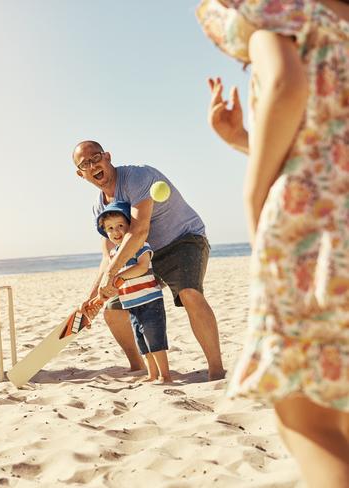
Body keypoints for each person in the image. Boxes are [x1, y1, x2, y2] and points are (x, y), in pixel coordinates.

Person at [196, 0, 349, 484]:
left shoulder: (285, 17)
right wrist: (245, 138)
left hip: (318, 234)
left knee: (310, 422)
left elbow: (285, 83)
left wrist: (254, 192)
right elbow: (328, 141)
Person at [73, 140, 225, 381]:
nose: (93, 165)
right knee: (112, 312)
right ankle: (138, 366)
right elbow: (108, 255)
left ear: (108, 157)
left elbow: (139, 230)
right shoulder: (99, 208)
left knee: (189, 293)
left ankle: (216, 370)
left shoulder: (138, 177)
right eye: (85, 164)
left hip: (183, 240)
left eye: (96, 158)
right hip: (141, 255)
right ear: (80, 174)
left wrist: (113, 275)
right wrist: (92, 298)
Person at [94, 201, 171, 383]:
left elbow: (142, 267)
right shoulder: (114, 256)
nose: (116, 231)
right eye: (110, 228)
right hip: (132, 304)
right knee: (142, 341)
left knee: (155, 339)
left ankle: (165, 375)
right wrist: (101, 295)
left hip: (150, 301)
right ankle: (152, 374)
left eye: (121, 226)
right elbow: (113, 285)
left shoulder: (139, 245)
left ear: (130, 226)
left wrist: (119, 277)